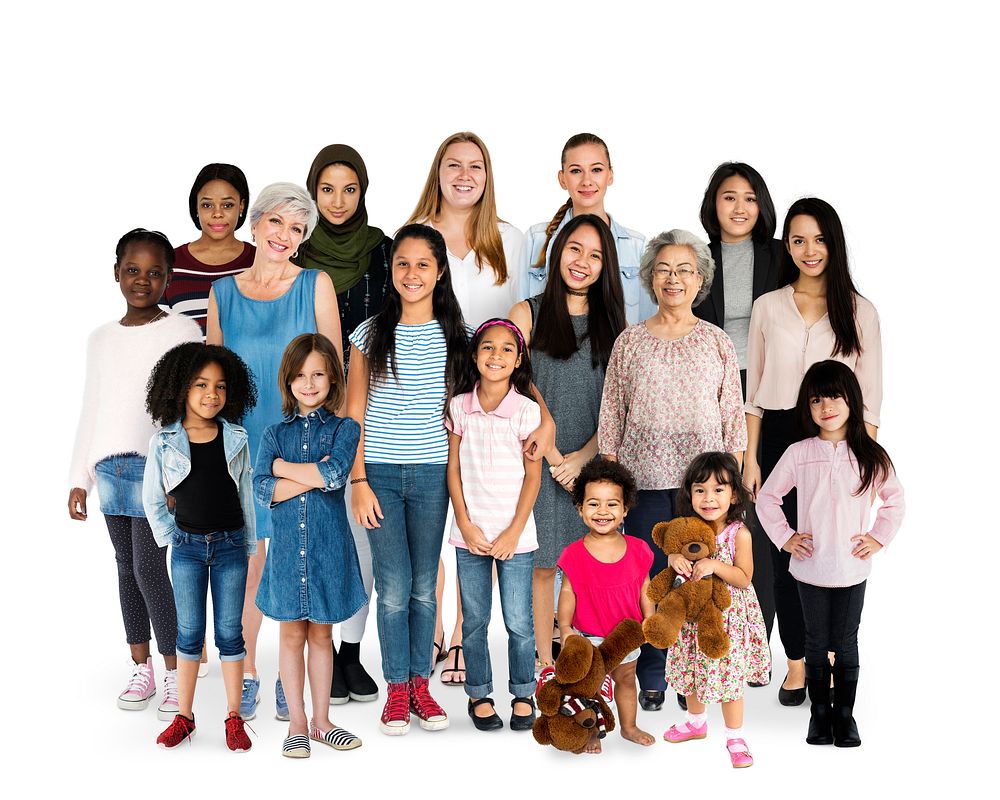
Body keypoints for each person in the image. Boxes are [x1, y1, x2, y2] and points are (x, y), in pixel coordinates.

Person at [206, 182, 340, 719]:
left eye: (297, 229)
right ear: (255, 224)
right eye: (277, 223)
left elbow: (334, 367)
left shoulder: (316, 285)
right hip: (240, 449)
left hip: (299, 445)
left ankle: (294, 683)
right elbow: (212, 379)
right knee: (247, 563)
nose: (286, 236)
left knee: (291, 561)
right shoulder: (224, 293)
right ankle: (251, 673)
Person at [598, 229, 746, 711]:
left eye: (684, 269)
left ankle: (695, 675)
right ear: (650, 278)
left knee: (699, 581)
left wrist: (731, 484)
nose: (673, 278)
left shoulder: (717, 341)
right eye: (663, 269)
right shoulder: (630, 342)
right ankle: (654, 672)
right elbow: (612, 414)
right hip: (642, 484)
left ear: (699, 278)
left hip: (699, 490)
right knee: (652, 582)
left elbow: (732, 419)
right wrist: (613, 479)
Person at [742, 198, 883, 706]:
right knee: (786, 554)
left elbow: (870, 396)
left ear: (835, 243)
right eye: (797, 240)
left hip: (838, 443)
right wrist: (751, 457)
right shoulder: (767, 306)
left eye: (820, 239)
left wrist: (861, 464)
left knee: (830, 549)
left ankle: (830, 657)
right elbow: (754, 392)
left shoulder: (860, 311)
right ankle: (797, 663)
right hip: (780, 435)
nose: (809, 250)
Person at [407, 132, 526, 683]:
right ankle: (429, 627)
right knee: (435, 501)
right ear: (437, 172)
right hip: (429, 382)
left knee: (475, 503)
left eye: (475, 166)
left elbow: (523, 316)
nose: (464, 174)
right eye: (453, 164)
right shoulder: (415, 235)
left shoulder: (510, 239)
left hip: (492, 390)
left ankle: (461, 636)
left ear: (488, 175)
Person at [68, 228, 201, 718]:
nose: (142, 280)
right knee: (126, 569)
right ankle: (141, 666)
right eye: (132, 270)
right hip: (109, 468)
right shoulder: (100, 340)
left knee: (151, 568)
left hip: (155, 471)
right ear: (116, 272)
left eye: (154, 272)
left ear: (169, 278)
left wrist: (179, 478)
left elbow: (190, 415)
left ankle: (174, 671)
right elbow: (92, 407)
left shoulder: (181, 334)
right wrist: (78, 478)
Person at [346, 224, 471, 735]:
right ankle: (396, 687)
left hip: (431, 476)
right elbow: (353, 412)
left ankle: (421, 683)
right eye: (402, 264)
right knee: (393, 586)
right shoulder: (369, 334)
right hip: (377, 472)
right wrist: (357, 480)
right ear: (390, 270)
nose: (412, 273)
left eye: (423, 264)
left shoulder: (459, 338)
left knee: (424, 585)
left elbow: (466, 417)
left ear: (440, 271)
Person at [756, 360, 903, 748]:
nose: (826, 406)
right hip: (810, 569)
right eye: (816, 399)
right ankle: (819, 717)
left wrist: (878, 537)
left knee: (847, 642)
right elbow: (767, 498)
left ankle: (845, 716)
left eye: (835, 396)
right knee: (816, 644)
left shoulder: (870, 454)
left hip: (852, 569)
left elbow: (894, 501)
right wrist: (786, 537)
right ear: (807, 407)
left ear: (852, 400)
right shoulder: (799, 453)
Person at [295, 143, 392, 706]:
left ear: (363, 192)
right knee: (319, 531)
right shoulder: (298, 252)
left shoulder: (382, 249)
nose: (337, 201)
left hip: (377, 404)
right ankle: (322, 652)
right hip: (313, 404)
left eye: (348, 189)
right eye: (326, 189)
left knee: (362, 531)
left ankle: (351, 655)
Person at [508, 214, 626, 674]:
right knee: (542, 564)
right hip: (537, 460)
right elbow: (515, 380)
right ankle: (544, 664)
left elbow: (617, 400)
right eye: (574, 249)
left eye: (595, 255)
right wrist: (556, 452)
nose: (582, 262)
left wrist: (583, 457)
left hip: (592, 463)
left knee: (588, 567)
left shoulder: (613, 325)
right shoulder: (528, 313)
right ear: (557, 252)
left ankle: (586, 658)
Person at [254, 333, 365, 757]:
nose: (309, 383)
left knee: (322, 638)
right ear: (288, 381)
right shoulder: (273, 435)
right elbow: (263, 489)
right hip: (285, 557)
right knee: (289, 638)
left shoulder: (344, 429)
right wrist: (303, 474)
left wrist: (284, 471)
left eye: (318, 374)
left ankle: (322, 721)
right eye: (300, 375)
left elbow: (335, 475)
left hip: (326, 553)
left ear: (333, 379)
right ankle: (296, 723)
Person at [142, 343, 258, 751]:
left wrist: (247, 543)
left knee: (230, 632)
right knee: (189, 634)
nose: (212, 394)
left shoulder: (237, 438)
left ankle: (233, 717)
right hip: (188, 548)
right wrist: (171, 537)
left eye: (221, 386)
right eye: (201, 385)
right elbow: (153, 499)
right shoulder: (164, 442)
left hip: (229, 548)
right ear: (180, 388)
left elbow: (245, 495)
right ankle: (185, 717)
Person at [696, 162, 784, 647]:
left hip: (767, 388)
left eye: (750, 198)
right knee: (715, 510)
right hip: (711, 388)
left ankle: (758, 640)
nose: (739, 207)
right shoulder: (697, 256)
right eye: (729, 196)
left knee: (761, 516)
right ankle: (708, 635)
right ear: (714, 203)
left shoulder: (777, 256)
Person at [446, 318, 542, 731]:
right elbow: (453, 469)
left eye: (506, 349)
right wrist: (465, 525)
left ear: (518, 360)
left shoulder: (526, 410)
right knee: (475, 619)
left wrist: (513, 531)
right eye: (487, 347)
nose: (496, 355)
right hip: (471, 535)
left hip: (515, 538)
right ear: (474, 354)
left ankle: (523, 692)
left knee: (519, 622)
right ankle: (479, 694)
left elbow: (533, 476)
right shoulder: (458, 407)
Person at [663, 452, 771, 769]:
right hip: (692, 618)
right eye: (700, 490)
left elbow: (744, 577)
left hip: (728, 622)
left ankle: (734, 736)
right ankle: (696, 722)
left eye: (719, 489)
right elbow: (671, 552)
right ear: (689, 494)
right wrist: (673, 560)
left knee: (727, 676)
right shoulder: (685, 528)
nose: (709, 498)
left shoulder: (740, 533)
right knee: (693, 668)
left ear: (734, 494)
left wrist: (715, 565)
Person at [556, 458, 655, 754]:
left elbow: (645, 586)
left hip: (626, 635)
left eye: (612, 505)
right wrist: (564, 628)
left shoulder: (638, 548)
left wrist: (650, 617)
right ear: (580, 508)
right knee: (589, 690)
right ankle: (591, 732)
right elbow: (568, 592)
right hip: (589, 636)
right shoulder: (573, 554)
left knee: (626, 680)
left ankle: (629, 726)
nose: (602, 512)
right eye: (593, 504)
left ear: (625, 510)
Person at [522, 132, 653, 324]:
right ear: (562, 178)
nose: (587, 181)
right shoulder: (536, 239)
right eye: (576, 171)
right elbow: (519, 321)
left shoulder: (636, 246)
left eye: (596, 170)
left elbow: (647, 324)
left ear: (610, 175)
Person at [163, 163, 255, 337]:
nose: (217, 213)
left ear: (241, 206)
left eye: (227, 205)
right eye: (207, 205)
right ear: (196, 206)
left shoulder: (260, 261)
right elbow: (157, 337)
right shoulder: (170, 263)